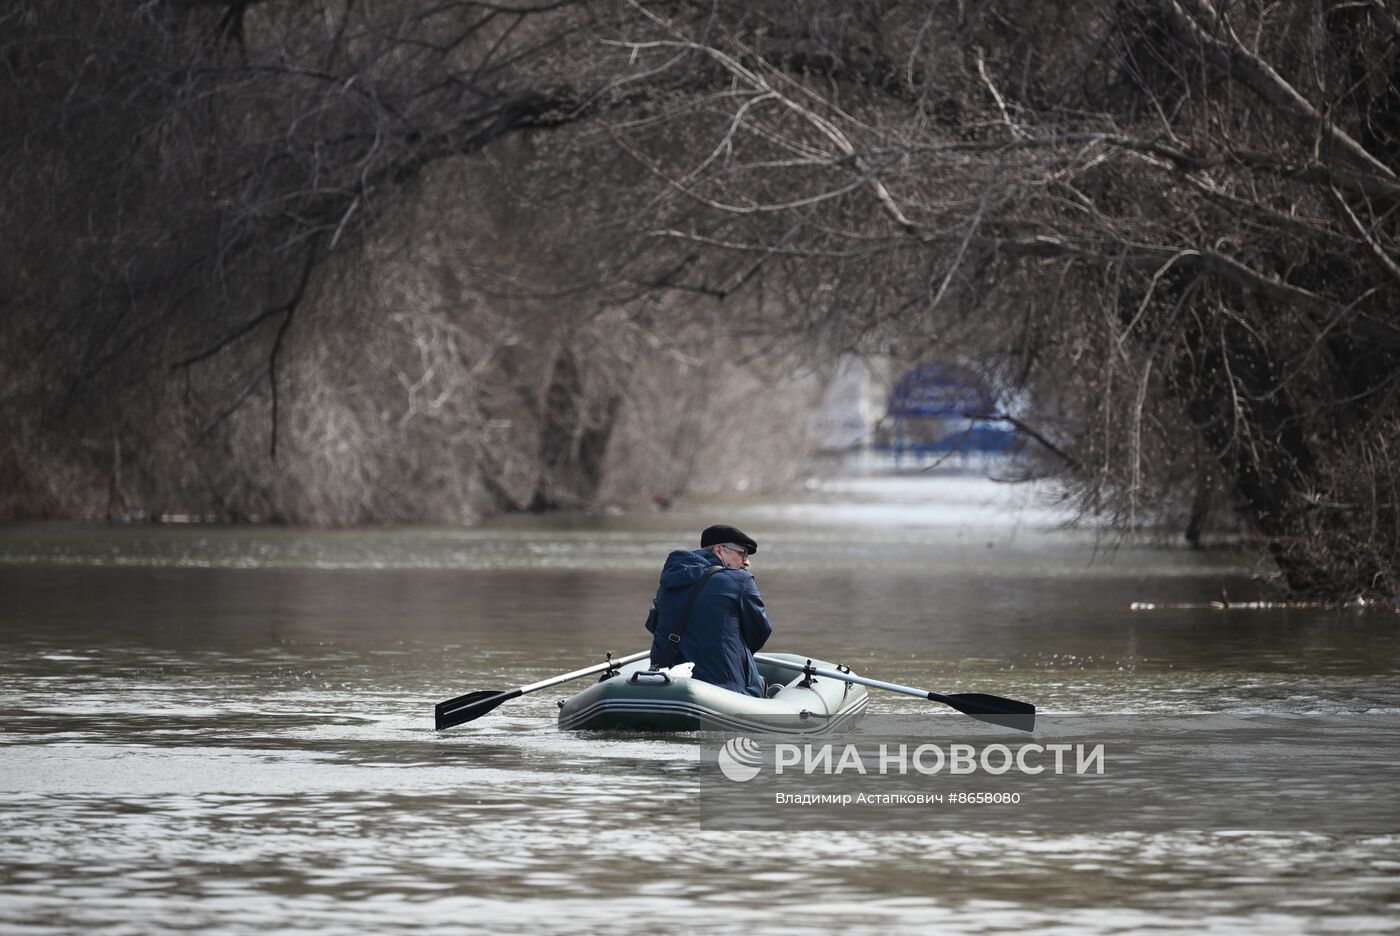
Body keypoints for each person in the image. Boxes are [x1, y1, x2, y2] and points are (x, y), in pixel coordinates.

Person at [644, 524, 773, 697]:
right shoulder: (740, 581)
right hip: (722, 685)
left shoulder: (670, 577)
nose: (746, 561)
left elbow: (653, 624)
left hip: (664, 681)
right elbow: (759, 632)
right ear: (719, 550)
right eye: (742, 553)